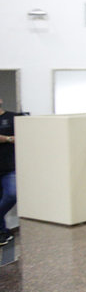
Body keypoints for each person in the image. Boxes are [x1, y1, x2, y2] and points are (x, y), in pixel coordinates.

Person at [0, 97, 24, 246]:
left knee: (11, 194)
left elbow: (24, 137)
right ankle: (3, 232)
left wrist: (7, 138)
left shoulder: (14, 117)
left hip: (10, 167)